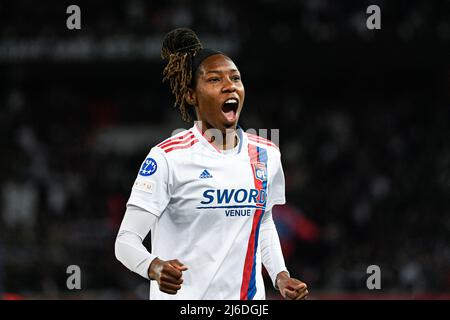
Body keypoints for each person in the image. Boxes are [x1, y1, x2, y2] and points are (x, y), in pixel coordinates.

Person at [115, 28, 309, 300]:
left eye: (236, 78)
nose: (229, 85)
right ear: (191, 96)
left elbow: (263, 223)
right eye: (215, 79)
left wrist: (280, 275)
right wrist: (153, 267)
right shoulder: (167, 158)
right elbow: (125, 241)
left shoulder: (266, 154)